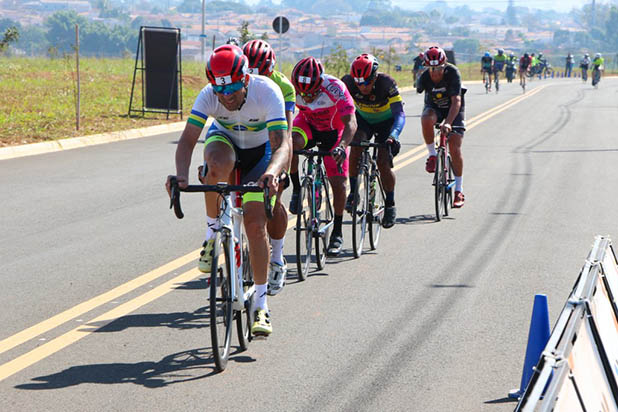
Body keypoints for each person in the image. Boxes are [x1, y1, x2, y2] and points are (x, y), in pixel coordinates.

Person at [165, 45, 290, 336]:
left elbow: (282, 144)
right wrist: (181, 176)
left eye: (233, 87)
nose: (226, 96)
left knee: (255, 222)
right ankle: (212, 235)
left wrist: (272, 173)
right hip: (226, 142)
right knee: (215, 166)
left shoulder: (267, 92)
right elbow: (186, 142)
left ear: (246, 78)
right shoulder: (209, 95)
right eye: (220, 89)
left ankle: (261, 304)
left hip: (262, 153)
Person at [288, 57, 357, 256]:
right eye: (303, 94)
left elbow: (351, 122)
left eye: (311, 93)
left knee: (339, 183)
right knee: (291, 144)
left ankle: (337, 230)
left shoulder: (335, 88)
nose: (307, 98)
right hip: (307, 125)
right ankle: (297, 189)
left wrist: (342, 146)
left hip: (333, 133)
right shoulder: (292, 88)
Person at [242, 39, 295, 296]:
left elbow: (287, 132)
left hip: (273, 141)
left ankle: (277, 257)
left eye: (261, 73)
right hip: (245, 140)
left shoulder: (283, 86)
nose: (256, 79)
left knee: (272, 205)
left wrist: (281, 168)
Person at [341, 53, 405, 229]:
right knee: (355, 145)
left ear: (375, 77)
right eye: (358, 82)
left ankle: (390, 204)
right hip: (364, 121)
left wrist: (394, 135)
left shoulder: (387, 83)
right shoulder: (347, 82)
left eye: (366, 82)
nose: (362, 87)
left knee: (383, 162)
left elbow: (399, 114)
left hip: (387, 124)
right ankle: (354, 193)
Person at [417, 46, 466, 208]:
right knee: (425, 118)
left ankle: (458, 190)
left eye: (438, 68)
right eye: (431, 68)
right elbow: (418, 89)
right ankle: (432, 155)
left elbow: (456, 101)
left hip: (453, 108)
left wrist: (448, 123)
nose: (435, 72)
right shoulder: (425, 77)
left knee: (454, 145)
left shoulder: (452, 73)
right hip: (435, 107)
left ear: (444, 66)